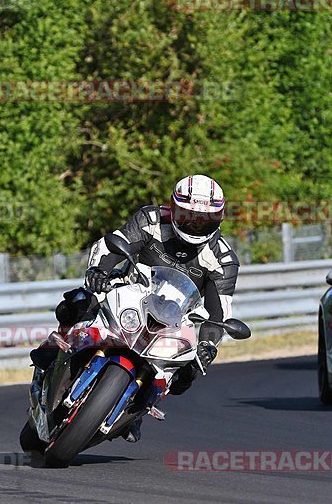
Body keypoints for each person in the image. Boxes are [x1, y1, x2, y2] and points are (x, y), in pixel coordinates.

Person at [31, 174, 240, 443]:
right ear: (173, 208)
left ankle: (136, 409)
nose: (195, 226)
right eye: (188, 217)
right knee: (79, 300)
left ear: (219, 219)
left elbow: (219, 312)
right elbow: (111, 245)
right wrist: (98, 272)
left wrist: (209, 345)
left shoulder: (223, 260)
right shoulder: (151, 220)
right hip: (129, 290)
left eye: (204, 221)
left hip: (177, 319)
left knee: (189, 372)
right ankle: (55, 348)